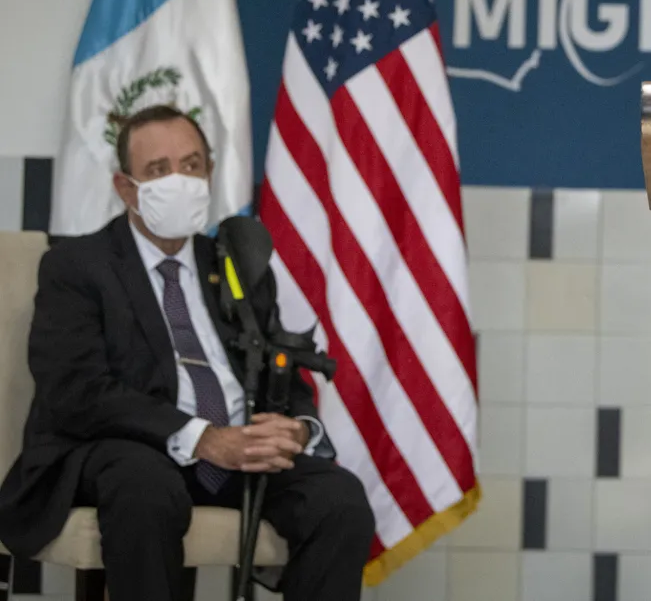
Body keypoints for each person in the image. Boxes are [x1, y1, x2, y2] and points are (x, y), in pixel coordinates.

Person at [0, 105, 375, 600]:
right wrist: (200, 437)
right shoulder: (77, 267)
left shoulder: (235, 263)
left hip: (235, 452)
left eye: (192, 165)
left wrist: (299, 428)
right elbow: (76, 390)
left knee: (339, 499)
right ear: (126, 188)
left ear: (210, 173)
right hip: (130, 451)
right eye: (158, 170)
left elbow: (279, 369)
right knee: (144, 484)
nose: (180, 180)